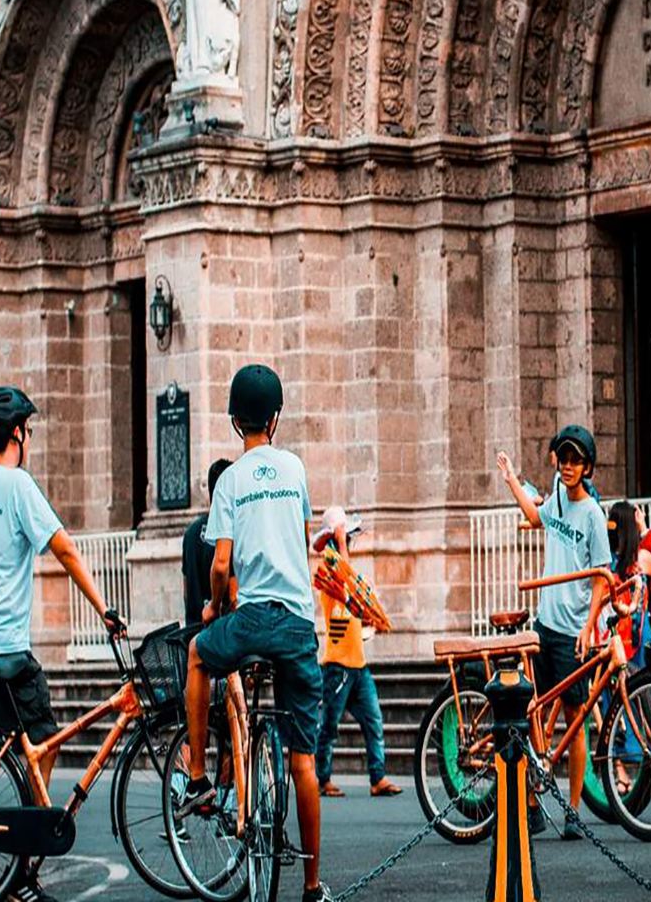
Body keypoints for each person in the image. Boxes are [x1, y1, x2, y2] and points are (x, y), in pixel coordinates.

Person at [0, 386, 116, 902]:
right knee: (43, 739)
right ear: (19, 433)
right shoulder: (19, 486)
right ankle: (24, 867)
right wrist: (104, 610)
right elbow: (64, 549)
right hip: (4, 642)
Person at [177, 365, 331, 902]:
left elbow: (221, 565)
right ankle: (312, 885)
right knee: (304, 761)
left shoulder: (231, 480)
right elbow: (302, 534)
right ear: (276, 417)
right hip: (295, 623)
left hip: (250, 619)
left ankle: (197, 774)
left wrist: (217, 607)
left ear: (234, 421)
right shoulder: (295, 469)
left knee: (198, 653)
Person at [497, 424, 611, 840]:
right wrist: (511, 478)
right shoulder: (558, 497)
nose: (567, 467)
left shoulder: (594, 516)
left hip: (571, 632)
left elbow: (602, 577)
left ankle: (574, 811)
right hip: (544, 625)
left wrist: (588, 625)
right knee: (533, 713)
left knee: (574, 721)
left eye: (575, 460)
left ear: (588, 467)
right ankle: (533, 801)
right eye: (563, 459)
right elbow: (534, 516)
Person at [312, 507, 401, 799]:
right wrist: (336, 540)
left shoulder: (344, 567)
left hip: (358, 664)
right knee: (329, 726)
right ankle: (322, 778)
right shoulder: (328, 569)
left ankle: (378, 777)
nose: (347, 541)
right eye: (344, 537)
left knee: (373, 720)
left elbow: (355, 599)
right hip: (337, 665)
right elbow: (344, 577)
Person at [605, 500, 651, 794]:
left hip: (621, 635)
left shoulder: (617, 562)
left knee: (617, 701)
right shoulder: (639, 556)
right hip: (636, 634)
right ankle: (649, 770)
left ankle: (622, 770)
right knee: (647, 700)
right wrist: (644, 528)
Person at [182, 459, 232, 625]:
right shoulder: (228, 534)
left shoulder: (190, 533)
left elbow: (186, 589)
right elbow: (233, 596)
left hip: (193, 628)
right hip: (220, 631)